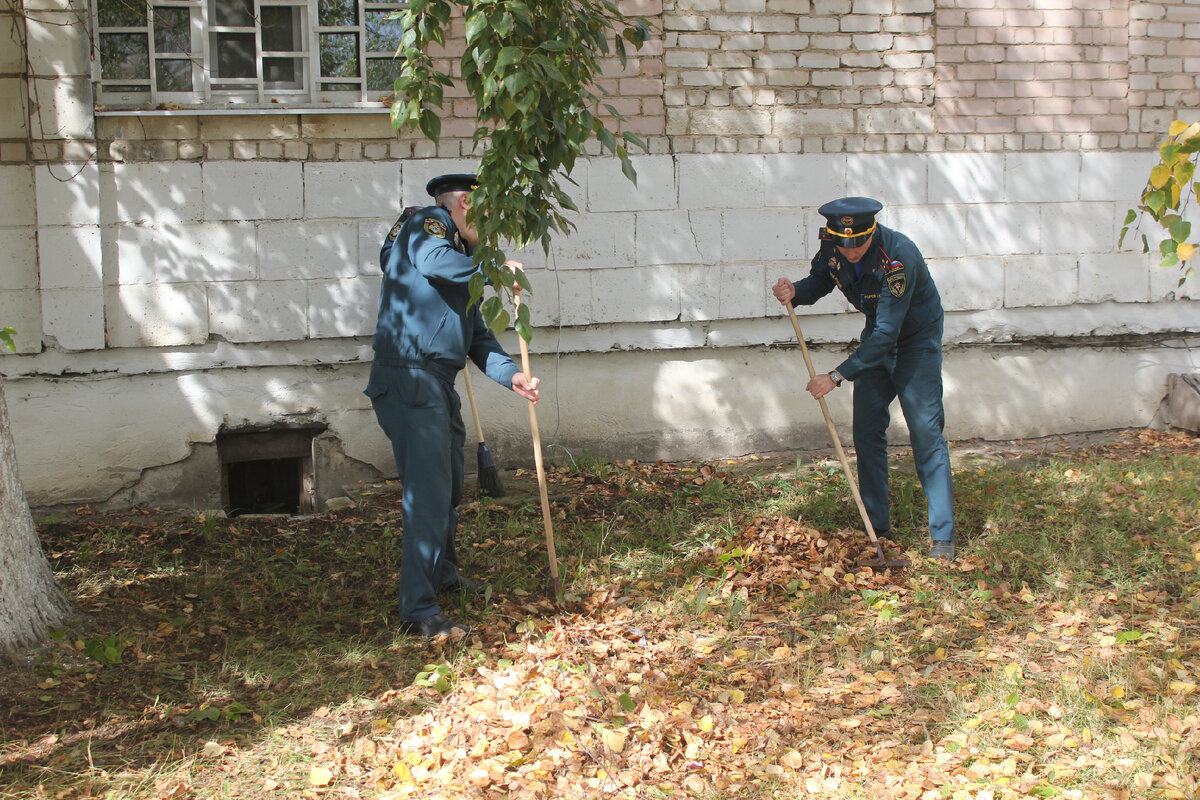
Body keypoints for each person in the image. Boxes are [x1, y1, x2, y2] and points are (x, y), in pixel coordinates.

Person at [365, 173, 541, 637]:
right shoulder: (429, 223)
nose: (493, 227)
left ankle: (443, 574)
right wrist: (496, 269)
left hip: (437, 382)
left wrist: (513, 376)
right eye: (490, 214)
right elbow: (434, 260)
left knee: (447, 490)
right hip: (410, 377)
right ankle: (419, 612)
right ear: (465, 202)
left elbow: (477, 337)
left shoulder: (461, 259)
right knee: (427, 495)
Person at [772, 197, 956, 559]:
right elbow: (821, 280)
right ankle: (876, 526)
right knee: (867, 431)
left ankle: (943, 537)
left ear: (872, 232)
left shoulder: (898, 259)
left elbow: (889, 333)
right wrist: (795, 291)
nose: (851, 251)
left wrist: (836, 376)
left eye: (859, 244)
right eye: (845, 245)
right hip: (877, 339)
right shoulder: (834, 245)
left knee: (925, 433)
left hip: (914, 342)